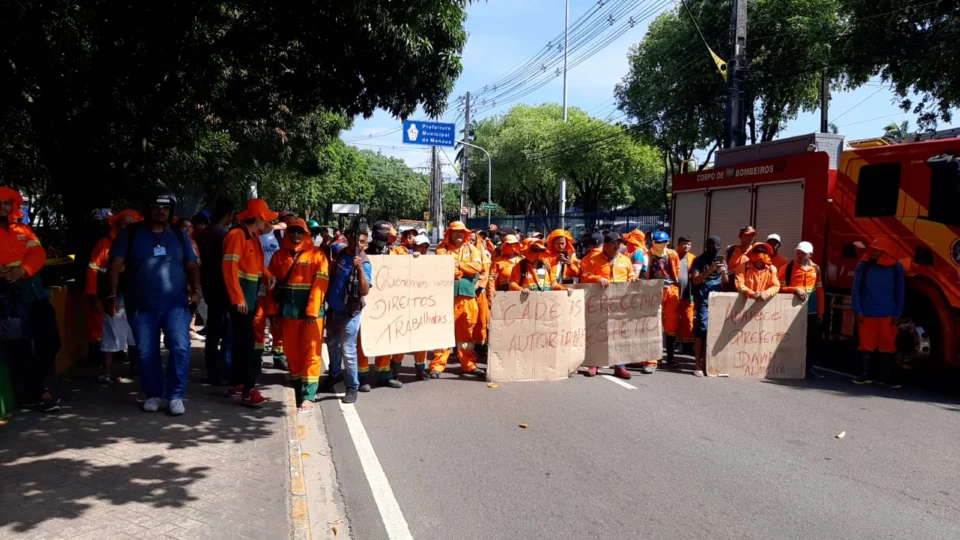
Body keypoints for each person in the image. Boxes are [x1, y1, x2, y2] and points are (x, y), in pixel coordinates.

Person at [109, 192, 200, 415]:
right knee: (146, 352)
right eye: (156, 207)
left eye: (165, 208)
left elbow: (192, 264)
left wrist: (197, 291)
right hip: (141, 306)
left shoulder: (179, 234)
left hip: (176, 304)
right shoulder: (130, 234)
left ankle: (175, 395)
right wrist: (112, 296)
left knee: (180, 347)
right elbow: (115, 265)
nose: (161, 211)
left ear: (171, 211)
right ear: (147, 209)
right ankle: (153, 394)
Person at [0, 187, 62, 413]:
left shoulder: (24, 229)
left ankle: (34, 388)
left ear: (13, 205)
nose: (2, 207)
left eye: (6, 203)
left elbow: (38, 253)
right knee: (20, 347)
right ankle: (35, 394)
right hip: (7, 296)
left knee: (51, 342)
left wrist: (22, 270)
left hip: (33, 292)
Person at [264, 218, 329, 411]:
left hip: (311, 315)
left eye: (299, 231)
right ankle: (299, 386)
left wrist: (312, 310)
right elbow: (272, 288)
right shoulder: (279, 256)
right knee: (291, 352)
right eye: (292, 231)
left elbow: (320, 284)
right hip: (287, 312)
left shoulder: (317, 255)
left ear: (306, 233)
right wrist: (272, 312)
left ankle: (309, 395)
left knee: (311, 353)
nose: (296, 235)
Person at [222, 198, 277, 407]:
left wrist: (267, 276)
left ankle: (237, 383)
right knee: (246, 344)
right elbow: (229, 267)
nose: (269, 223)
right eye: (266, 218)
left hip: (247, 298)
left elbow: (256, 266)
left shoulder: (252, 237)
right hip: (242, 300)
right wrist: (238, 298)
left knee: (241, 343)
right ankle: (248, 389)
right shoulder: (237, 235)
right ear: (259, 218)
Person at [85, 209, 142, 384]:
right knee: (111, 332)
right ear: (117, 226)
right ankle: (107, 371)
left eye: (131, 224)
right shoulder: (104, 244)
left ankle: (136, 368)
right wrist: (94, 296)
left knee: (137, 333)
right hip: (113, 297)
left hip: (138, 297)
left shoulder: (143, 244)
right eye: (124, 223)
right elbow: (93, 271)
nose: (127, 227)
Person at [429, 221, 487, 379]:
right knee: (443, 331)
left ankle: (469, 365)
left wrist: (458, 265)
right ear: (449, 233)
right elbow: (444, 267)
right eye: (455, 231)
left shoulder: (471, 248)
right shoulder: (442, 248)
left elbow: (477, 267)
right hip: (447, 297)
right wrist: (464, 269)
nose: (459, 234)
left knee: (467, 334)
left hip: (468, 297)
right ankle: (437, 366)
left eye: (462, 231)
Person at [324, 223, 372, 404]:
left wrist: (359, 269)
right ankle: (334, 375)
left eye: (363, 242)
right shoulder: (341, 253)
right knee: (332, 345)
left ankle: (352, 386)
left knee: (348, 350)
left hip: (350, 313)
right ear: (349, 238)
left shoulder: (364, 262)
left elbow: (365, 290)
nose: (359, 244)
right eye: (357, 240)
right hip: (334, 309)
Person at [579, 232, 635, 380]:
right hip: (599, 302)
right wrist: (598, 278)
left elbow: (631, 275)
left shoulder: (625, 260)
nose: (617, 246)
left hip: (620, 303)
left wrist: (633, 279)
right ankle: (594, 364)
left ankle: (620, 367)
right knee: (598, 332)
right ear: (605, 245)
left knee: (620, 334)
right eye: (614, 243)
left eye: (619, 243)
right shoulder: (594, 260)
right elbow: (585, 276)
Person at [852, 238, 905, 387]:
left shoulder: (896, 267)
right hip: (867, 312)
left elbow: (900, 291)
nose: (873, 252)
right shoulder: (864, 264)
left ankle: (886, 378)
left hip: (887, 314)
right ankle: (865, 375)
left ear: (884, 252)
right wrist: (857, 310)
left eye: (877, 250)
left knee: (887, 346)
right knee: (865, 345)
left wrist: (897, 313)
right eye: (872, 249)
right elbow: (856, 288)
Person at [198, 198, 236, 385]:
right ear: (229, 215)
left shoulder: (205, 232)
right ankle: (224, 371)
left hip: (209, 287)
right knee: (227, 331)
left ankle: (213, 371)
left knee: (213, 332)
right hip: (223, 288)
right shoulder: (224, 234)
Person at [365, 221, 405, 388]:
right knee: (363, 340)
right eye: (381, 234)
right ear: (374, 234)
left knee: (387, 338)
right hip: (367, 303)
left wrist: (415, 258)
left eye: (386, 235)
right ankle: (361, 377)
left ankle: (384, 374)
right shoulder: (364, 252)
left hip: (389, 304)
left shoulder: (395, 253)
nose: (383, 238)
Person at [779, 241, 825, 379]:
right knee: (792, 338)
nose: (799, 254)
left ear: (810, 254)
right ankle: (789, 365)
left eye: (803, 253)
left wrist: (821, 311)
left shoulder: (816, 269)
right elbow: (779, 288)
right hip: (792, 311)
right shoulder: (787, 268)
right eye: (798, 251)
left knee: (811, 340)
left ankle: (809, 368)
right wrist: (795, 289)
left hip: (811, 311)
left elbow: (820, 290)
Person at [690, 236, 729, 376]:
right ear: (707, 246)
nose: (716, 249)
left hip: (718, 302)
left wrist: (723, 272)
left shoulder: (722, 261)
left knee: (713, 332)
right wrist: (709, 270)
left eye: (718, 246)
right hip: (704, 301)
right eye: (713, 246)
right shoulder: (699, 261)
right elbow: (695, 280)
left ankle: (707, 362)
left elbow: (726, 282)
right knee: (701, 330)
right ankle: (697, 364)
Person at [646, 231, 681, 372]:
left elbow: (676, 271)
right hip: (653, 290)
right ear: (653, 242)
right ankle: (653, 360)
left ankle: (670, 358)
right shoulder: (647, 255)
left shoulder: (672, 254)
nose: (661, 244)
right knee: (654, 324)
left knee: (671, 324)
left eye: (664, 242)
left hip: (671, 289)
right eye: (659, 242)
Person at [257, 221, 284, 368]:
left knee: (277, 322)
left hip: (277, 288)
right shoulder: (253, 236)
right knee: (258, 322)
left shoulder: (280, 235)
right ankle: (257, 357)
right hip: (259, 286)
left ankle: (279, 356)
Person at [675, 236, 696, 353]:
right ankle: (675, 342)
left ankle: (687, 345)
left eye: (688, 244)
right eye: (684, 244)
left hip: (688, 294)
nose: (686, 246)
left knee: (688, 319)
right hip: (674, 294)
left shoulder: (693, 258)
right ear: (678, 244)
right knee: (674, 319)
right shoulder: (672, 256)